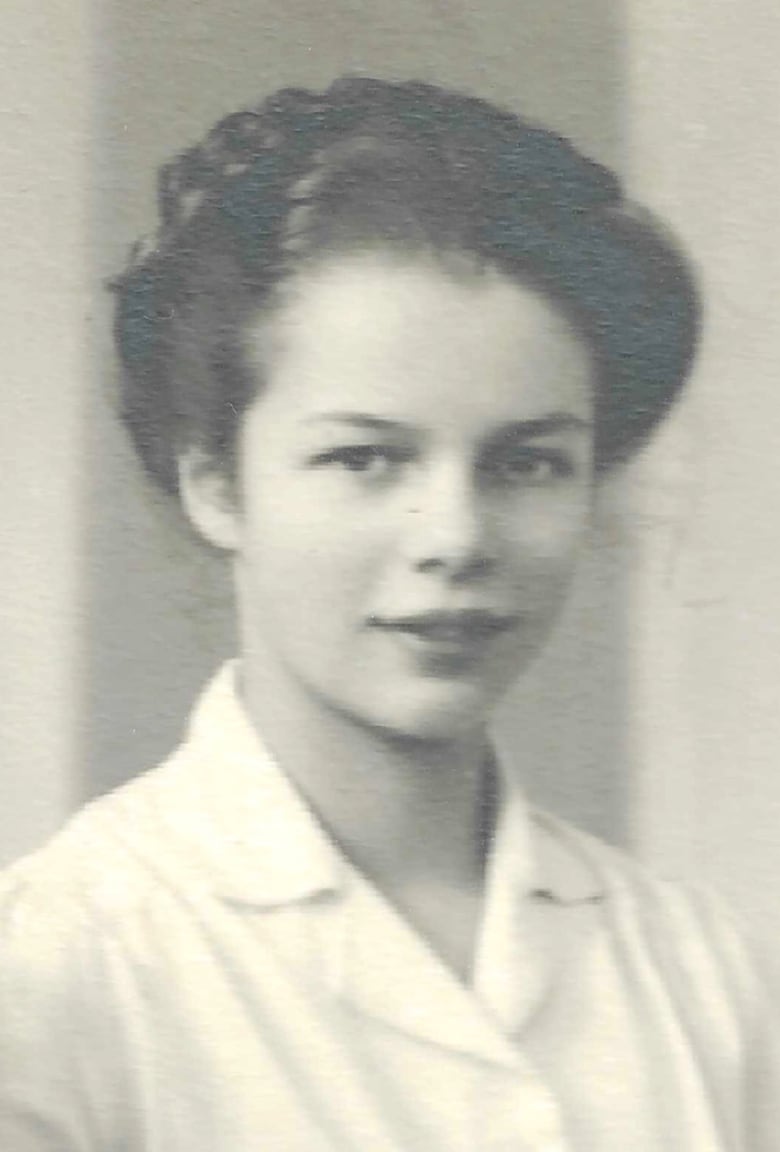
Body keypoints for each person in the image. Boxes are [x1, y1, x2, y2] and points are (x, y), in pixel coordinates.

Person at [0, 76, 776, 1151]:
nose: (455, 535)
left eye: (527, 463)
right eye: (366, 458)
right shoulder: (56, 969)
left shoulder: (701, 976)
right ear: (216, 484)